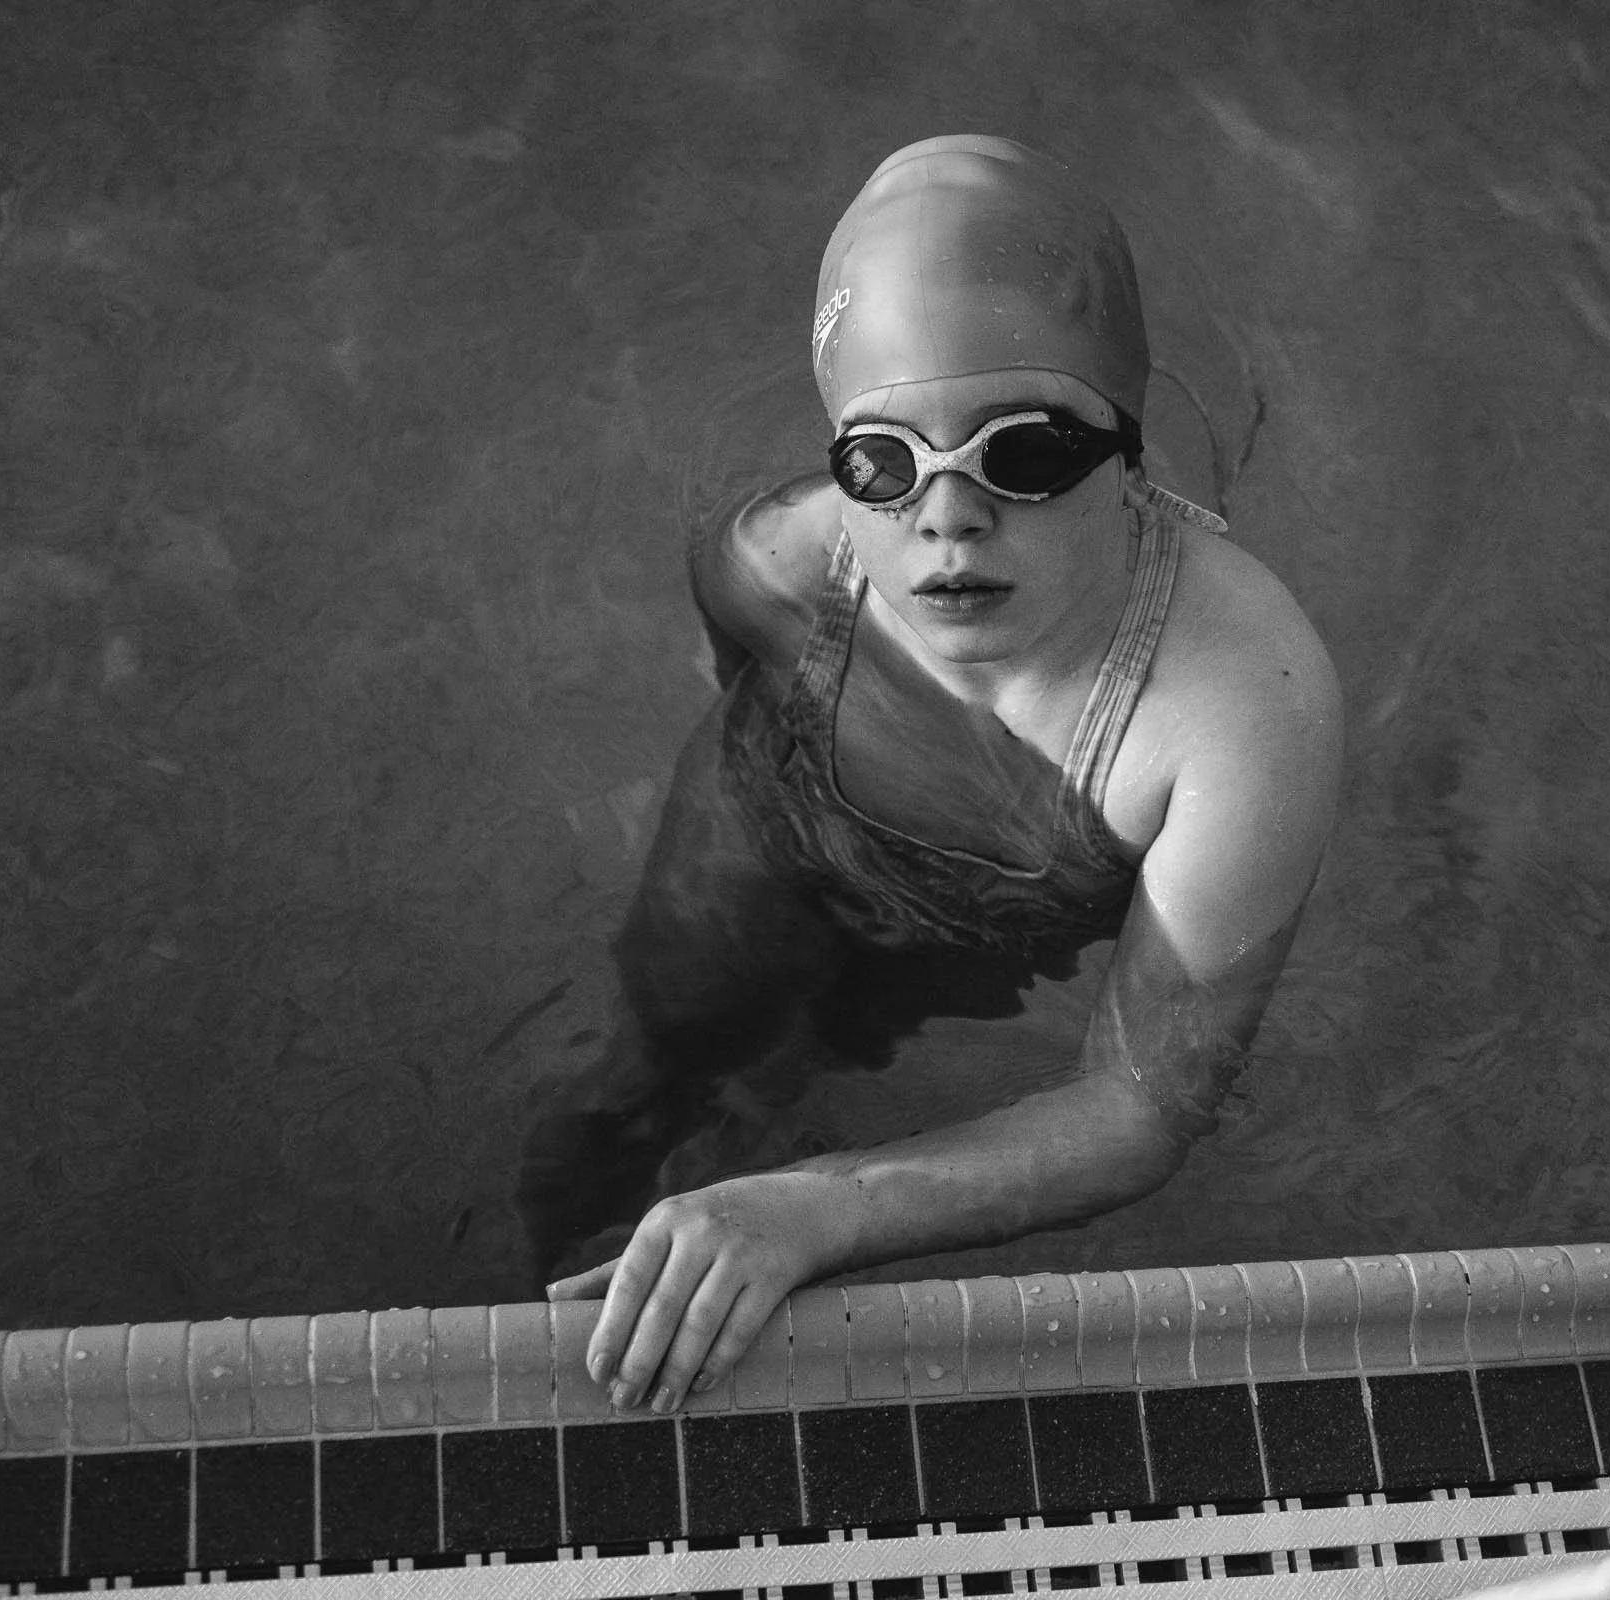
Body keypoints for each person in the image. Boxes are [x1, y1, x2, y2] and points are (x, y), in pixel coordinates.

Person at [522, 134, 1345, 1415]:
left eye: (1021, 453)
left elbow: (1140, 1105)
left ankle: (790, 1100)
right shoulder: (782, 559)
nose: (947, 517)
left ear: (1128, 454)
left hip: (1008, 899)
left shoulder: (1240, 712)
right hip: (772, 816)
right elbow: (735, 670)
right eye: (884, 462)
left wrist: (823, 1211)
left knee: (862, 1049)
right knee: (631, 1089)